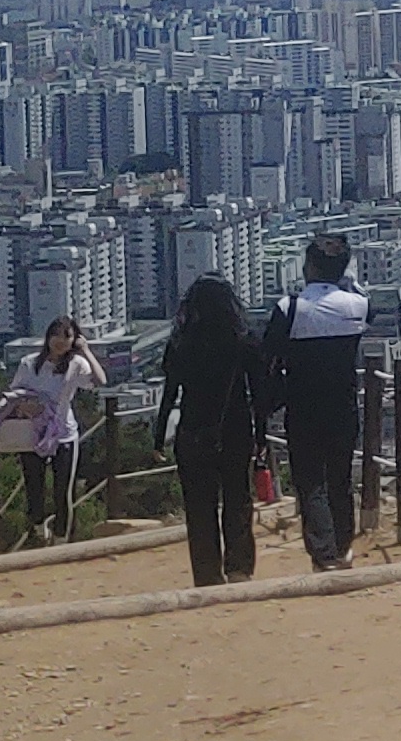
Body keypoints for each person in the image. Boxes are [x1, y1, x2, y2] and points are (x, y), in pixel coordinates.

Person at [261, 233, 370, 572]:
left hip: (303, 405)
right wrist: (351, 285)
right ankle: (343, 544)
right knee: (340, 476)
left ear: (309, 266)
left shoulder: (290, 308)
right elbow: (371, 311)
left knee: (310, 479)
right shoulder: (357, 305)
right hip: (344, 403)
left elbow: (268, 354)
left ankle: (323, 552)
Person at [152, 275, 267, 587]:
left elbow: (170, 393)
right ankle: (239, 568)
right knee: (238, 498)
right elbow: (259, 394)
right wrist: (261, 435)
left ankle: (207, 574)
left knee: (199, 507)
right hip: (235, 428)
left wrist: (159, 438)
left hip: (193, 429)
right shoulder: (244, 340)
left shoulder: (181, 343)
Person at [0, 317, 104, 542]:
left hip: (64, 433)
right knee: (34, 488)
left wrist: (86, 350)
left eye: (67, 336)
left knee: (63, 490)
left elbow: (100, 380)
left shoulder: (76, 364)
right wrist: (25, 407)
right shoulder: (29, 363)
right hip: (33, 433)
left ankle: (61, 538)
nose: (60, 340)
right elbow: (14, 394)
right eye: (56, 334)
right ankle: (38, 528)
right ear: (48, 337)